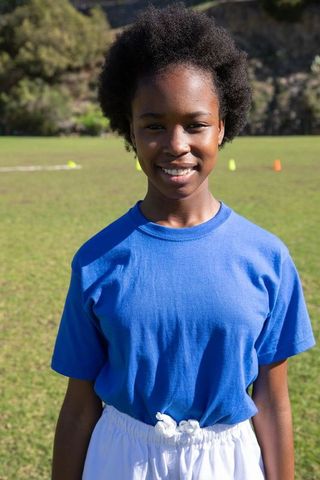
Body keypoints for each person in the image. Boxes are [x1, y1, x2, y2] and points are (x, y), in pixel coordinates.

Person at [51, 5, 315, 480]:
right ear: (129, 132)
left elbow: (273, 404)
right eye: (153, 125)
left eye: (195, 124)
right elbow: (78, 408)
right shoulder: (97, 259)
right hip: (121, 458)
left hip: (228, 461)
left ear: (222, 127)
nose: (175, 144)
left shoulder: (267, 258)